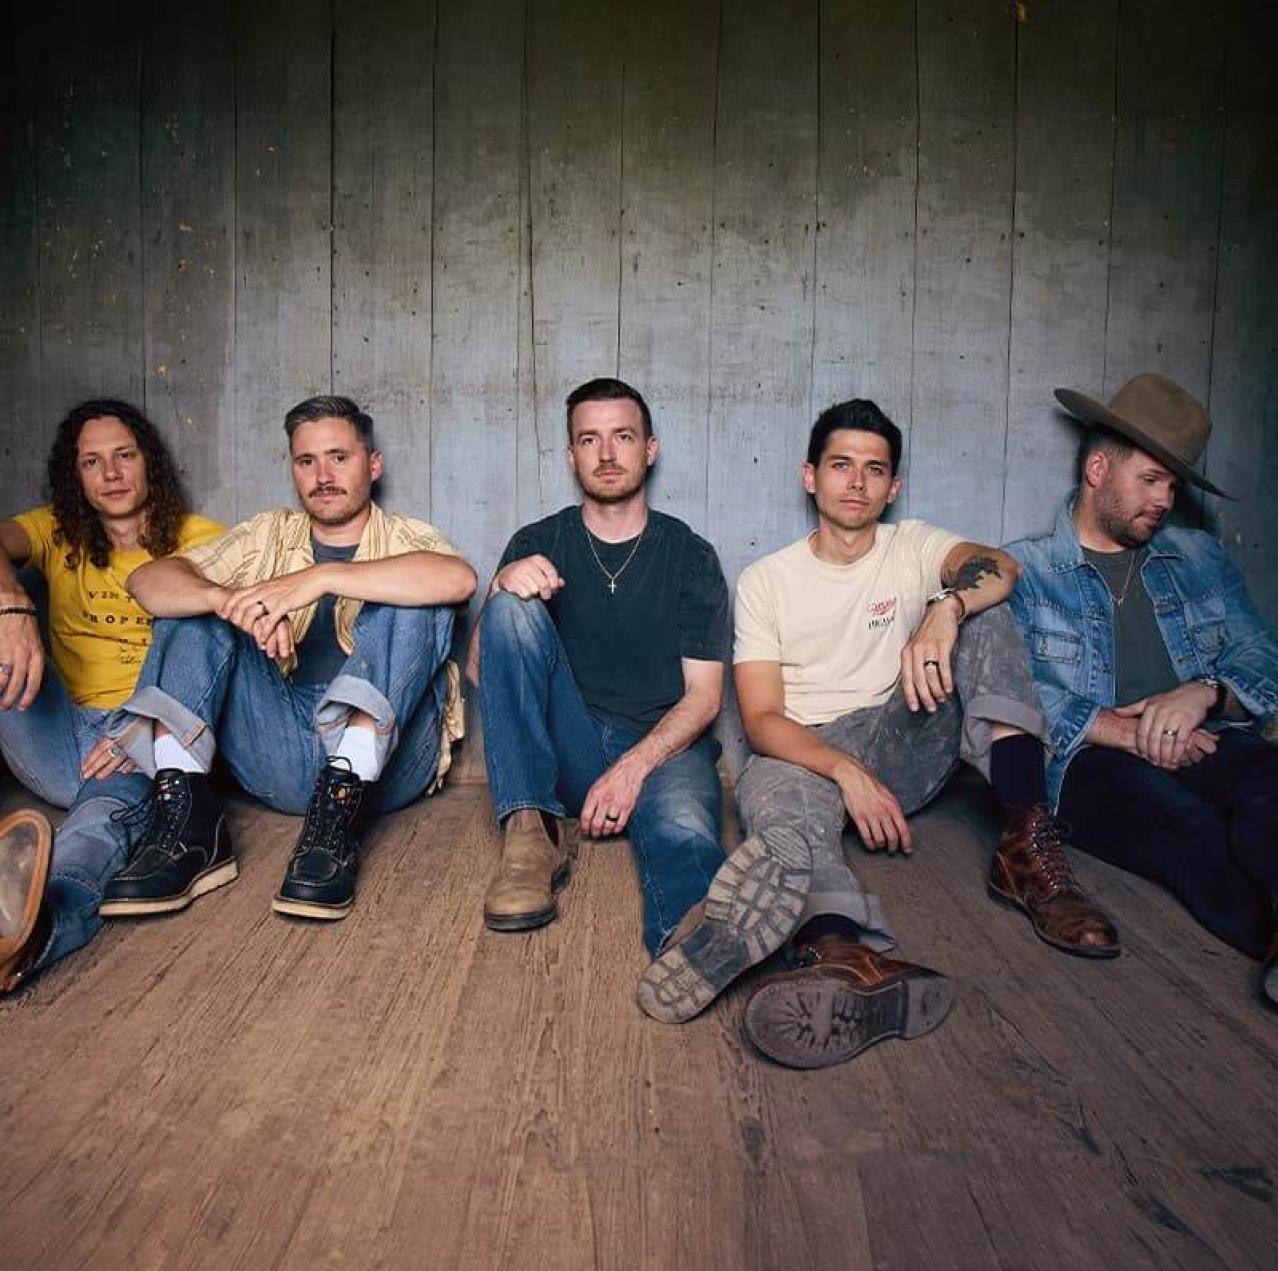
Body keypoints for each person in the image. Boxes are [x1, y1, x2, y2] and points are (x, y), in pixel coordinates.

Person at [638, 398, 1118, 1069]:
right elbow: (763, 718)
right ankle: (842, 953)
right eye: (841, 465)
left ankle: (1026, 845)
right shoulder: (766, 581)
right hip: (803, 752)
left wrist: (946, 607)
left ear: (893, 487)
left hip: (904, 734)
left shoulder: (913, 543)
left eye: (874, 469)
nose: (857, 482)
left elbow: (1001, 569)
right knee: (774, 803)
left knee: (984, 614)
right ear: (811, 476)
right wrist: (844, 770)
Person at [98, 395, 475, 921]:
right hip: (278, 741)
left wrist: (317, 578)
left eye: (339, 457)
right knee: (189, 606)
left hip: (385, 766)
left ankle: (334, 825)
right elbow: (148, 582)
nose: (323, 475)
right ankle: (188, 830)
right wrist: (226, 602)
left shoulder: (408, 537)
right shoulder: (267, 534)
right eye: (306, 461)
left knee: (418, 597)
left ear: (374, 464)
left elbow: (458, 581)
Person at [1006, 373, 1278, 1005]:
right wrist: (1128, 733)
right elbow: (1016, 689)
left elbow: (1260, 652)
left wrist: (1205, 693)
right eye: (1151, 480)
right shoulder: (1026, 570)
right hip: (1088, 761)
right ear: (1099, 468)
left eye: (1173, 486)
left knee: (1270, 793)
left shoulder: (1199, 555)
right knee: (1188, 832)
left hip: (1206, 737)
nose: (1163, 500)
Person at [468, 377, 731, 963]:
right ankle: (530, 840)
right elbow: (485, 671)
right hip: (568, 750)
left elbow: (706, 697)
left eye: (622, 437)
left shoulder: (689, 555)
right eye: (590, 440)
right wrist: (498, 589)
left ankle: (695, 953)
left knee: (685, 831)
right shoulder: (538, 540)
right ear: (571, 455)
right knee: (511, 604)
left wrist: (634, 768)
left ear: (649, 449)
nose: (607, 455)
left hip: (663, 747)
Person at [0, 400, 222, 991]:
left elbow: (217, 652)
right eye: (92, 461)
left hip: (143, 738)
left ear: (149, 463)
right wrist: (14, 607)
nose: (111, 473)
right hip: (54, 728)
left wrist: (144, 724)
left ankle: (36, 930)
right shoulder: (54, 531)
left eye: (124, 455)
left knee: (97, 821)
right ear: (76, 476)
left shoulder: (202, 540)